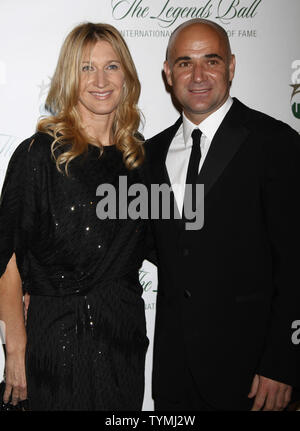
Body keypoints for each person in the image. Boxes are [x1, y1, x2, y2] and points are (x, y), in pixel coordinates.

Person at [144, 18, 300, 411]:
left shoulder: (276, 143)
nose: (198, 75)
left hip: (253, 378)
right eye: (184, 62)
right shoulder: (148, 156)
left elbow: (296, 261)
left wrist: (283, 363)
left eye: (210, 61)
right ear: (168, 73)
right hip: (174, 375)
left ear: (231, 66)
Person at [0, 22, 149, 411]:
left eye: (112, 66)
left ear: (127, 77)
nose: (100, 79)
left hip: (123, 334)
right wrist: (15, 351)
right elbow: (7, 259)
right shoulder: (38, 155)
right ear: (70, 76)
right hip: (57, 336)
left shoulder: (142, 159)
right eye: (86, 68)